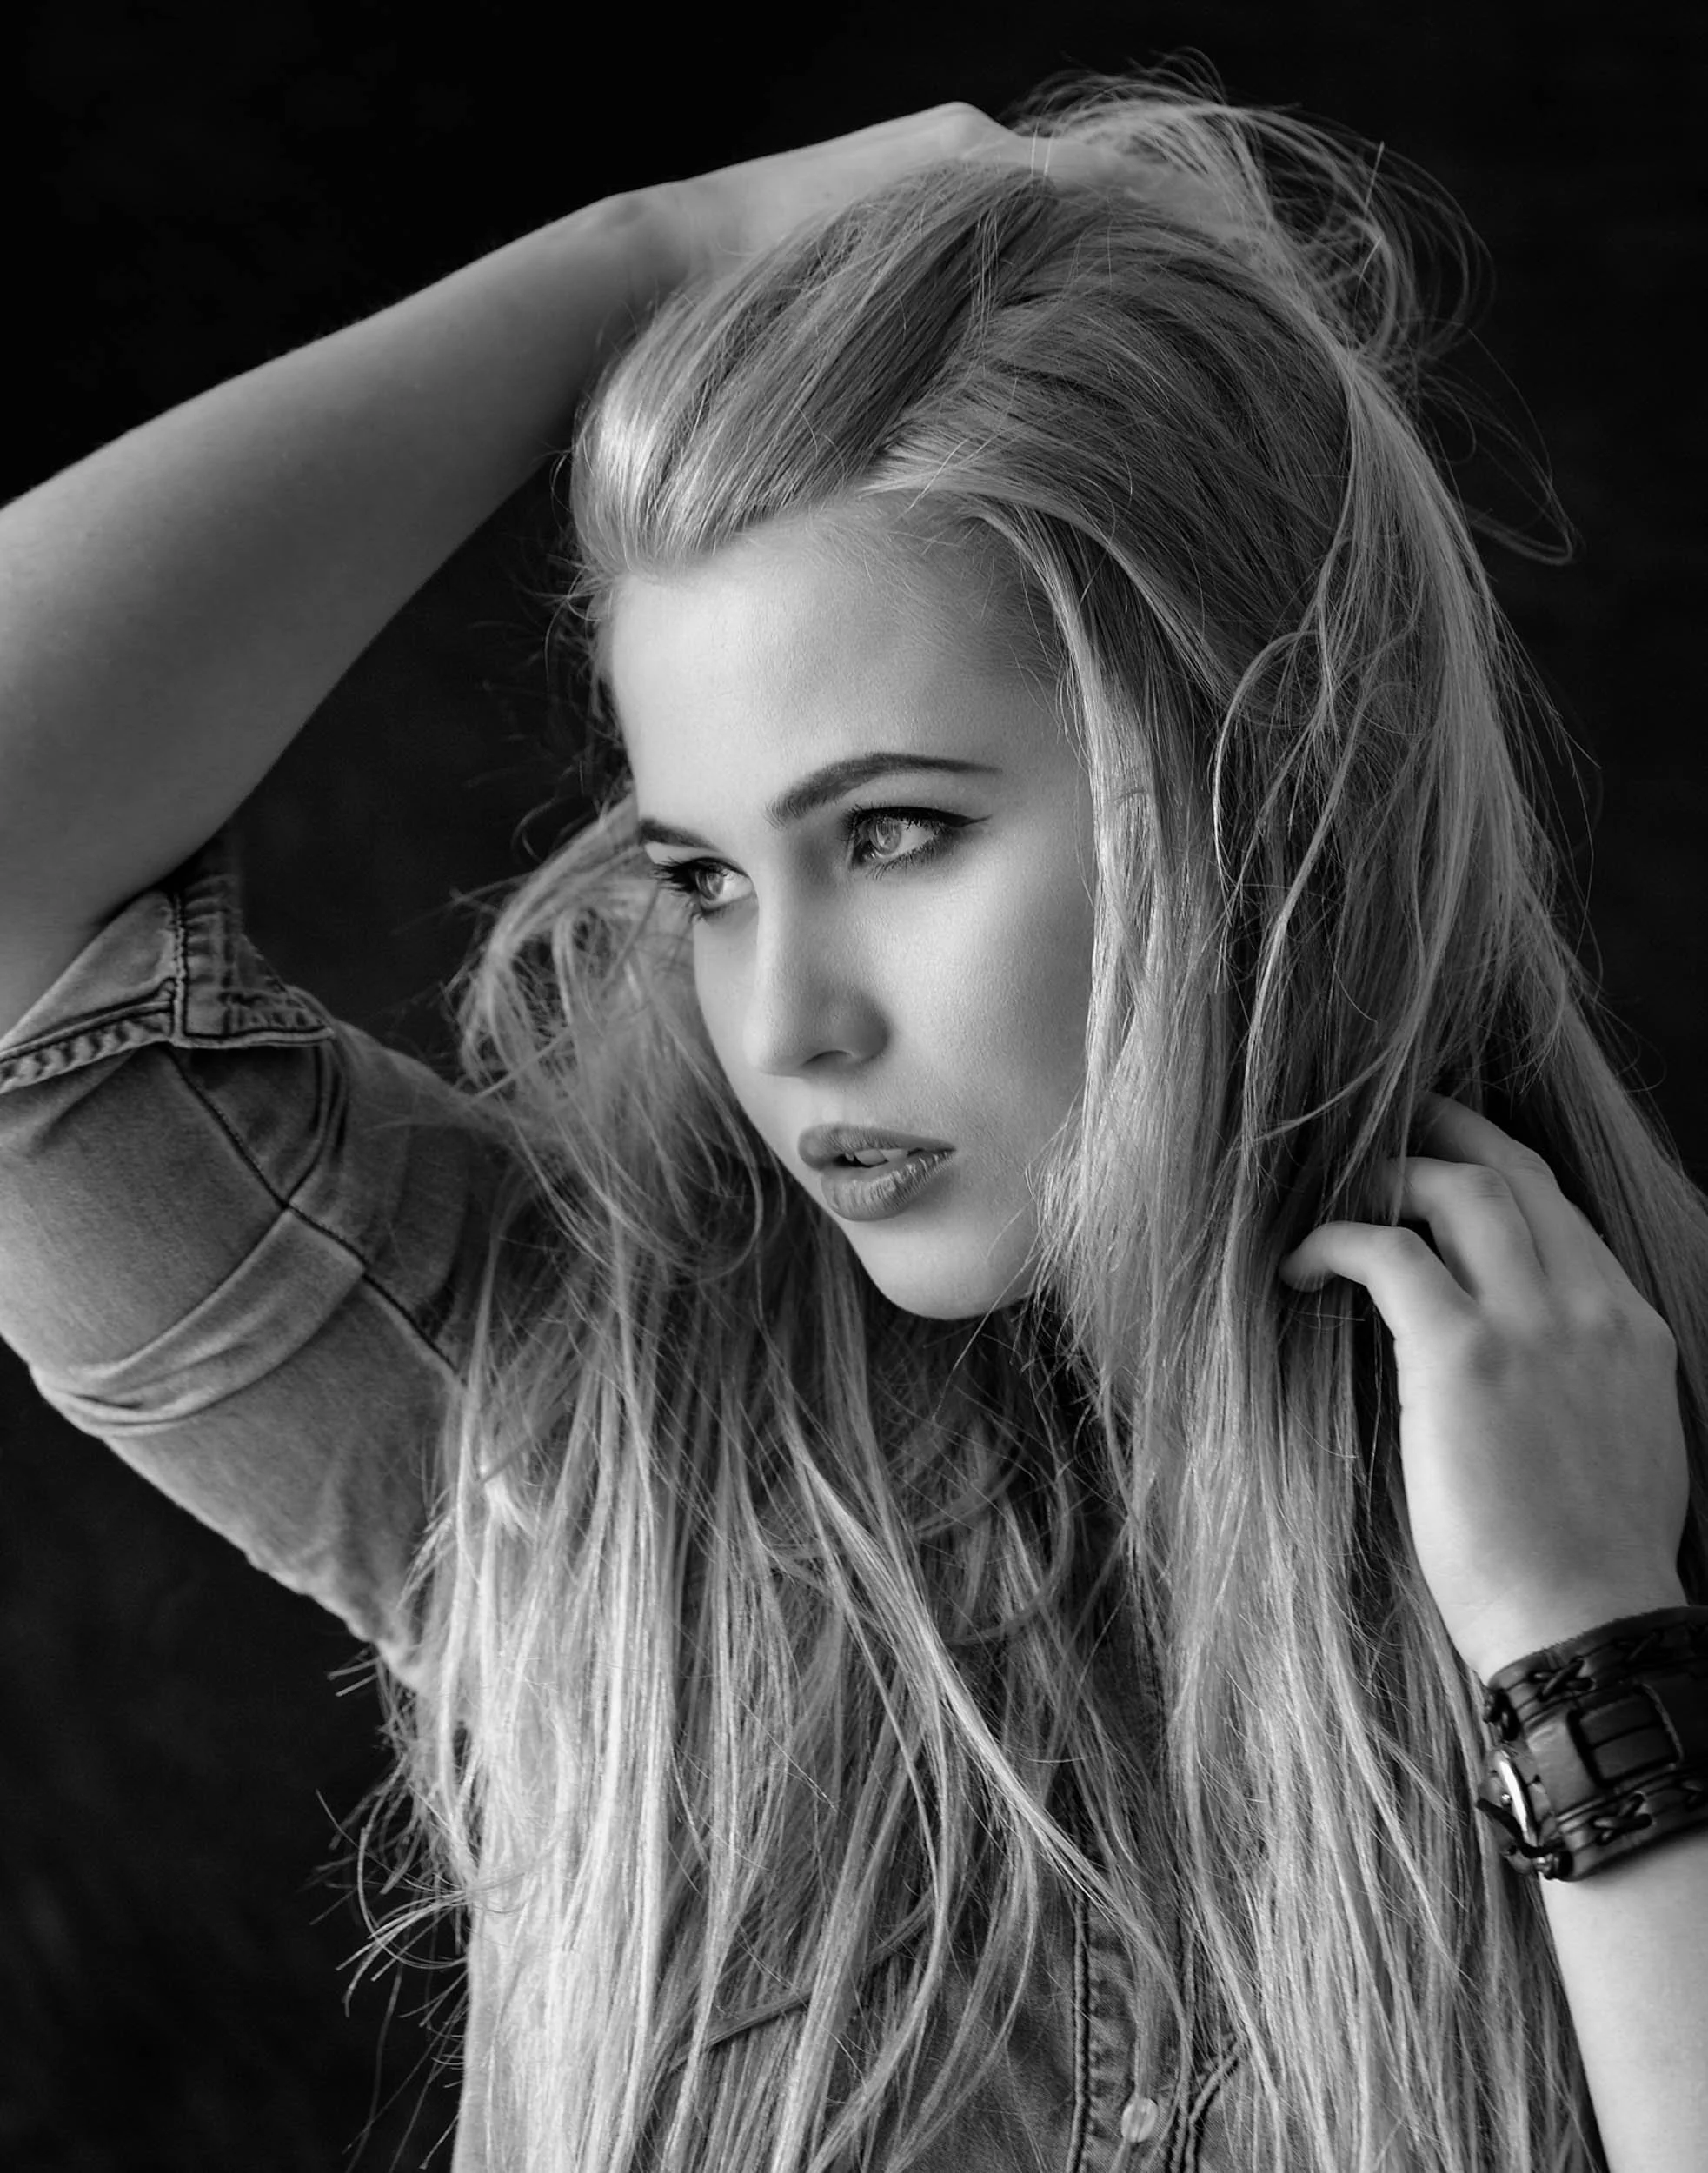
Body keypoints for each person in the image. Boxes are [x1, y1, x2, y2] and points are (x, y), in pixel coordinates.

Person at [2, 59, 1705, 2173]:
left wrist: (1594, 1666)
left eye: (892, 831)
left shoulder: (1658, 1476)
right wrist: (651, 250)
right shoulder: (578, 1434)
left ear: (1267, 779)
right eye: (705, 877)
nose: (782, 1024)